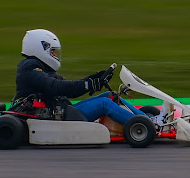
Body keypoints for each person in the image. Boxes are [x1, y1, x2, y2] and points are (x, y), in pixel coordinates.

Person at [14, 29, 146, 124]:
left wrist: (93, 79)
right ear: (42, 48)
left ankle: (146, 119)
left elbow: (69, 88)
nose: (54, 55)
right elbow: (55, 87)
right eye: (52, 51)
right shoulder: (30, 68)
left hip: (61, 110)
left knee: (110, 96)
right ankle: (142, 125)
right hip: (54, 116)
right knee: (104, 103)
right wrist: (87, 84)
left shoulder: (44, 69)